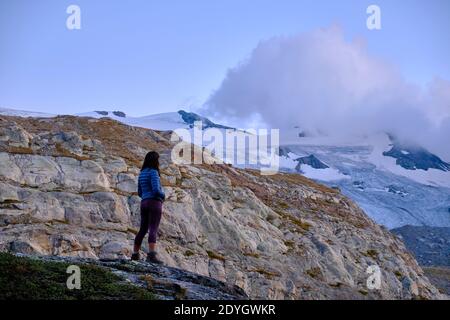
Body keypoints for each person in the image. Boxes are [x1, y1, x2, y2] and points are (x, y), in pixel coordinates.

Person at [131, 151, 165, 264]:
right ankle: (151, 256)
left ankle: (135, 254)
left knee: (143, 229)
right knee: (153, 229)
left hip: (144, 202)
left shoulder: (142, 173)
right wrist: (163, 195)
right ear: (155, 160)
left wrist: (146, 196)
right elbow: (156, 190)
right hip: (154, 202)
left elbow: (139, 192)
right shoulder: (154, 172)